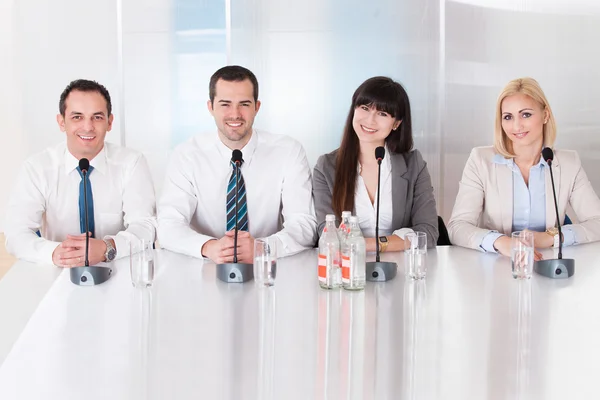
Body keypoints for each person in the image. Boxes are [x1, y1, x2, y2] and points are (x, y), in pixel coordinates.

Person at [158, 65, 317, 263]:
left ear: (257, 107)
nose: (235, 114)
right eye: (225, 104)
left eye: (244, 104)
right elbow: (167, 225)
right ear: (211, 107)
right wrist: (209, 247)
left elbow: (304, 225)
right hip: (204, 268)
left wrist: (263, 248)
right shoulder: (186, 155)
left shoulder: (289, 151)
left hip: (268, 269)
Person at [4, 79, 156, 266]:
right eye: (77, 117)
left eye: (97, 117)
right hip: (58, 271)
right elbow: (15, 233)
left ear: (109, 122)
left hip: (119, 268)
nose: (87, 127)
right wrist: (55, 253)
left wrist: (107, 248)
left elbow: (146, 226)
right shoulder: (37, 168)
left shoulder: (132, 163)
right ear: (62, 122)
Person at [448, 77, 600, 257]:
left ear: (545, 115)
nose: (516, 125)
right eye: (508, 117)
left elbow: (596, 222)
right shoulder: (481, 160)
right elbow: (457, 227)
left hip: (548, 263)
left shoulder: (568, 163)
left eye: (526, 114)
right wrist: (502, 243)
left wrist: (550, 237)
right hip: (498, 265)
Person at [312, 76, 439, 252]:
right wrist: (399, 240)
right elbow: (326, 234)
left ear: (396, 123)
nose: (370, 120)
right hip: (346, 269)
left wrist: (367, 245)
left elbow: (428, 233)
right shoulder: (326, 167)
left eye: (382, 113)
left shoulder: (414, 165)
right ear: (353, 111)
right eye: (364, 108)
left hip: (400, 268)